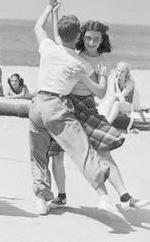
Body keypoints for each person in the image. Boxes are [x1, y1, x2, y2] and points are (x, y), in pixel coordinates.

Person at [29, 0, 118, 218]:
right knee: (82, 150)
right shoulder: (80, 63)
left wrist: (49, 7)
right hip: (57, 107)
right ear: (78, 35)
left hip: (37, 105)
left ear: (58, 33)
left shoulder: (49, 47)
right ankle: (103, 196)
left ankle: (41, 200)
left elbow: (39, 28)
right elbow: (99, 91)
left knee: (38, 155)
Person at [48, 20, 148, 211]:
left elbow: (101, 93)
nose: (91, 42)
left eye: (96, 39)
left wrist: (84, 76)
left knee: (103, 152)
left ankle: (126, 197)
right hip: (65, 105)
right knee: (57, 155)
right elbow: (58, 37)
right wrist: (53, 12)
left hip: (86, 108)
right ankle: (61, 197)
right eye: (87, 38)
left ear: (102, 40)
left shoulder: (102, 62)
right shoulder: (74, 54)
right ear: (81, 37)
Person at [100, 61, 149, 126]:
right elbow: (112, 93)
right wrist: (116, 82)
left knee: (117, 104)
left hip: (129, 104)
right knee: (112, 98)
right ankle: (106, 121)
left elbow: (123, 95)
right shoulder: (113, 79)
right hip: (119, 101)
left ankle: (108, 124)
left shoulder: (130, 81)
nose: (119, 73)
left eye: (122, 72)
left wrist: (117, 85)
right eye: (118, 70)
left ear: (126, 73)